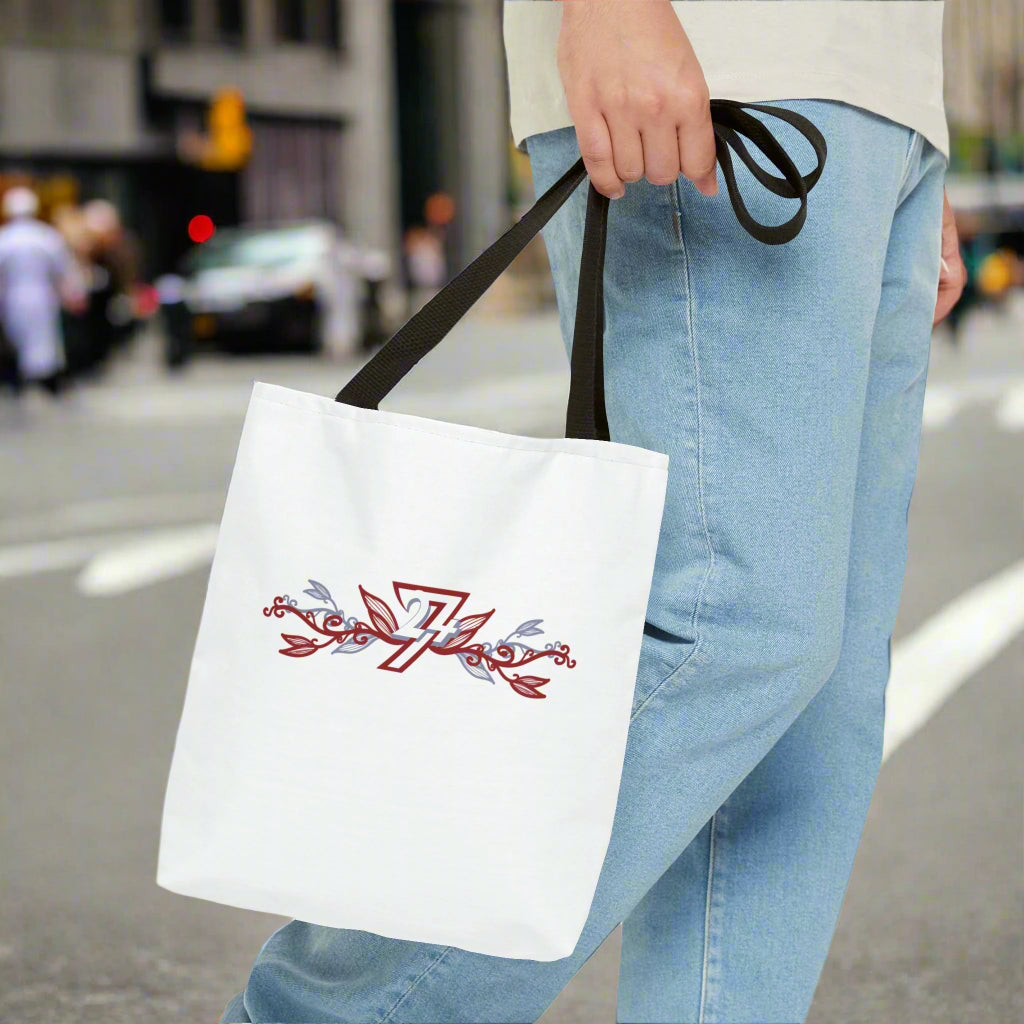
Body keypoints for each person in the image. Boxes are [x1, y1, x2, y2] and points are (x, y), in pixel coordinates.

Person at [219, 2, 966, 1021]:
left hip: (874, 97)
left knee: (813, 712)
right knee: (727, 631)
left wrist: (908, 128)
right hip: (724, 56)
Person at [0, 186, 85, 397]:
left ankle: (26, 381)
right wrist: (74, 293)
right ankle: (41, 381)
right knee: (42, 340)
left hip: (14, 296)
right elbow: (66, 270)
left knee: (22, 338)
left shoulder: (5, 238)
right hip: (41, 295)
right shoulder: (46, 236)